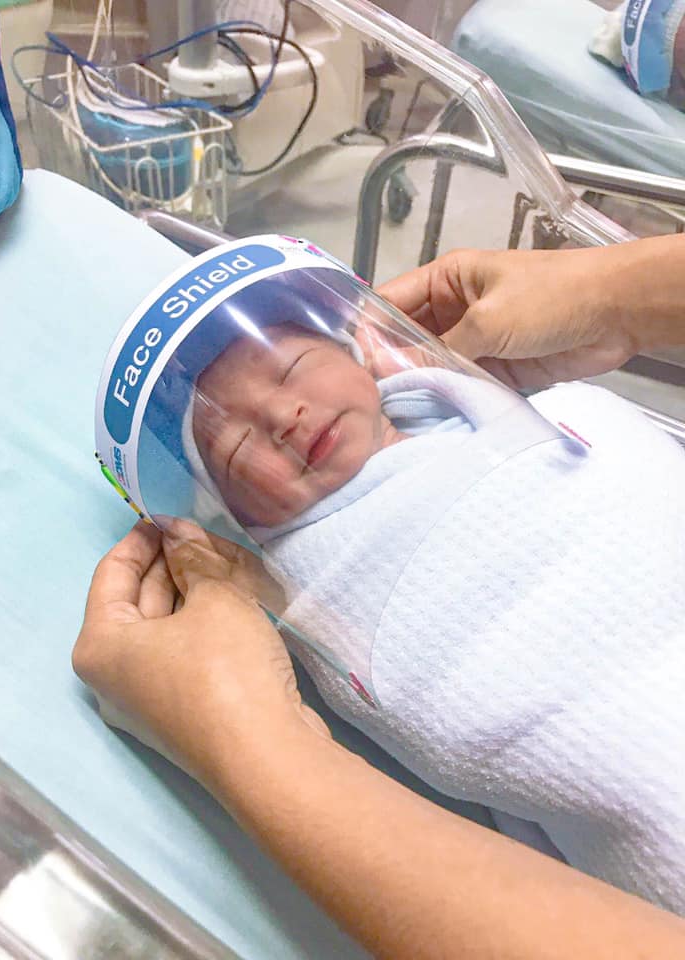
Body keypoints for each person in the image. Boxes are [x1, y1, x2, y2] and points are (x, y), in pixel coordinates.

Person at [74, 235, 685, 960]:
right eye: (238, 449)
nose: (284, 417)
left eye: (296, 368)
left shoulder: (489, 405)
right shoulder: (302, 567)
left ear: (364, 351)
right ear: (237, 511)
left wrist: (615, 299)